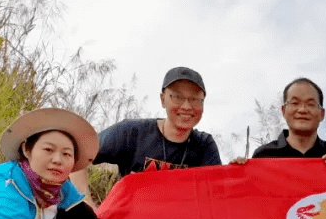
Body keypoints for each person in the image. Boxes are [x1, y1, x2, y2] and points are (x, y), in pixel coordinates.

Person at [70, 67, 221, 204]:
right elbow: (78, 154)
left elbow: (218, 191)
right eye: (177, 97)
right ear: (163, 99)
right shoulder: (131, 132)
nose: (187, 106)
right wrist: (86, 203)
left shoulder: (204, 144)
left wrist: (240, 169)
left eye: (194, 99)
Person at [251, 78, 326, 163]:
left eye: (311, 104)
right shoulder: (263, 155)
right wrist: (237, 169)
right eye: (295, 103)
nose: (302, 110)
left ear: (322, 114)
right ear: (283, 111)